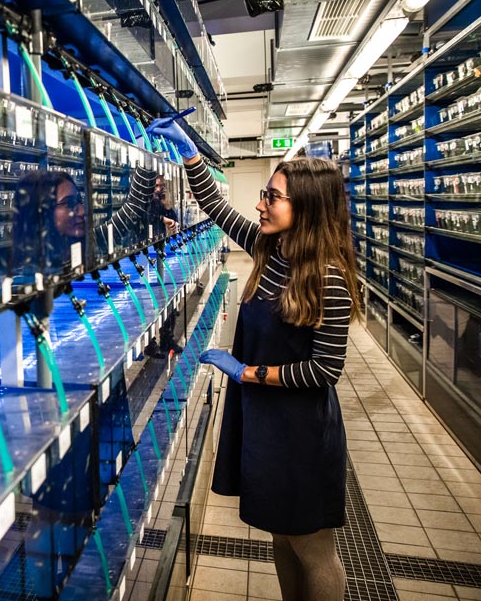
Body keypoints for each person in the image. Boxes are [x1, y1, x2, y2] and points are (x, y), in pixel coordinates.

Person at [149, 117, 362, 601]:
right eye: (264, 194)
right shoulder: (270, 251)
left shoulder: (326, 276)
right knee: (281, 537)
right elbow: (217, 208)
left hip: (302, 430)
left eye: (272, 197)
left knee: (314, 548)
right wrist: (190, 157)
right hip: (265, 420)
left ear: (306, 207)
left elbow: (325, 370)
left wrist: (248, 372)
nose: (260, 204)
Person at [11, 165, 159, 275]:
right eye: (69, 203)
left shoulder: (92, 241)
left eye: (79, 201)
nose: (82, 211)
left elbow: (134, 206)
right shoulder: (26, 277)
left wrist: (151, 158)